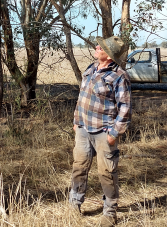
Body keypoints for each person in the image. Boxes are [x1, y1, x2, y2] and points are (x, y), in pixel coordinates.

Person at [69, 36, 131, 227]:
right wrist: (76, 121)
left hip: (104, 132)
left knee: (107, 173)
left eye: (101, 47)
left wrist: (114, 133)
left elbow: (125, 108)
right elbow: (82, 97)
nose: (97, 47)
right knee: (79, 167)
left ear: (110, 55)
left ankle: (110, 213)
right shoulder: (90, 68)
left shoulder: (120, 76)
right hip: (83, 129)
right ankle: (74, 204)